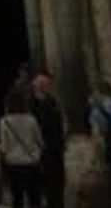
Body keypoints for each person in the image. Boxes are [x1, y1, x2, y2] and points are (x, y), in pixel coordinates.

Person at [0, 89, 44, 208]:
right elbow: (39, 140)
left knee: (17, 197)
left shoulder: (4, 121)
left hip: (14, 162)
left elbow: (4, 146)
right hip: (31, 161)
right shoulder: (31, 119)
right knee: (34, 196)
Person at [31, 74, 66, 208]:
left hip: (56, 148)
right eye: (46, 85)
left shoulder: (52, 101)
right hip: (43, 150)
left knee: (59, 182)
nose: (49, 87)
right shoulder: (33, 105)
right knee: (48, 184)